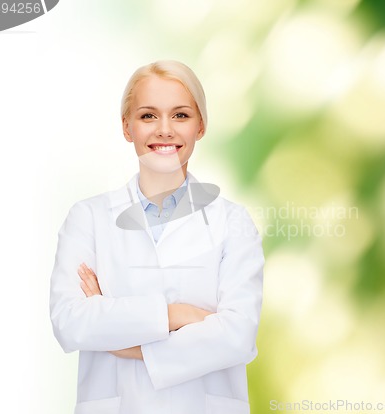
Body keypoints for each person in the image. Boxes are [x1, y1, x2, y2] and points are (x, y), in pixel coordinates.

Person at [49, 60, 264, 414]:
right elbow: (70, 323)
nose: (165, 130)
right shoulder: (87, 218)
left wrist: (121, 340)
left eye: (180, 115)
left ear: (201, 126)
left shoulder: (233, 222)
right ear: (126, 127)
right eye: (148, 116)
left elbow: (238, 337)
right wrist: (178, 314)